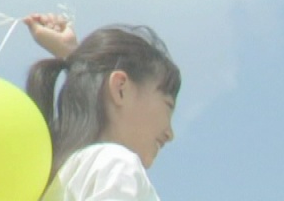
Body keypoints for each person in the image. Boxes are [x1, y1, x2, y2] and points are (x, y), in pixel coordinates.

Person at [23, 13, 181, 201]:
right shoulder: (116, 164)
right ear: (121, 88)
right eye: (168, 105)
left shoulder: (54, 179)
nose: (170, 134)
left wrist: (73, 55)